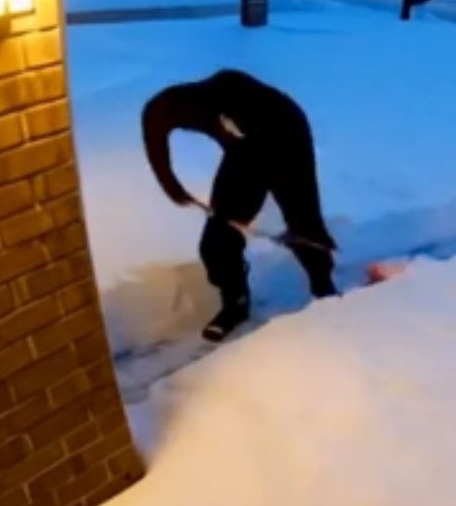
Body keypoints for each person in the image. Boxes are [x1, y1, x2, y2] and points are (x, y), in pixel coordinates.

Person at [142, 69, 338, 342]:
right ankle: (235, 302)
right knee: (216, 240)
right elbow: (154, 139)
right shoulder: (161, 108)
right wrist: (171, 185)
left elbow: (266, 156)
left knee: (303, 221)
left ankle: (324, 291)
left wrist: (250, 205)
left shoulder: (233, 89)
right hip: (243, 150)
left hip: (286, 137)